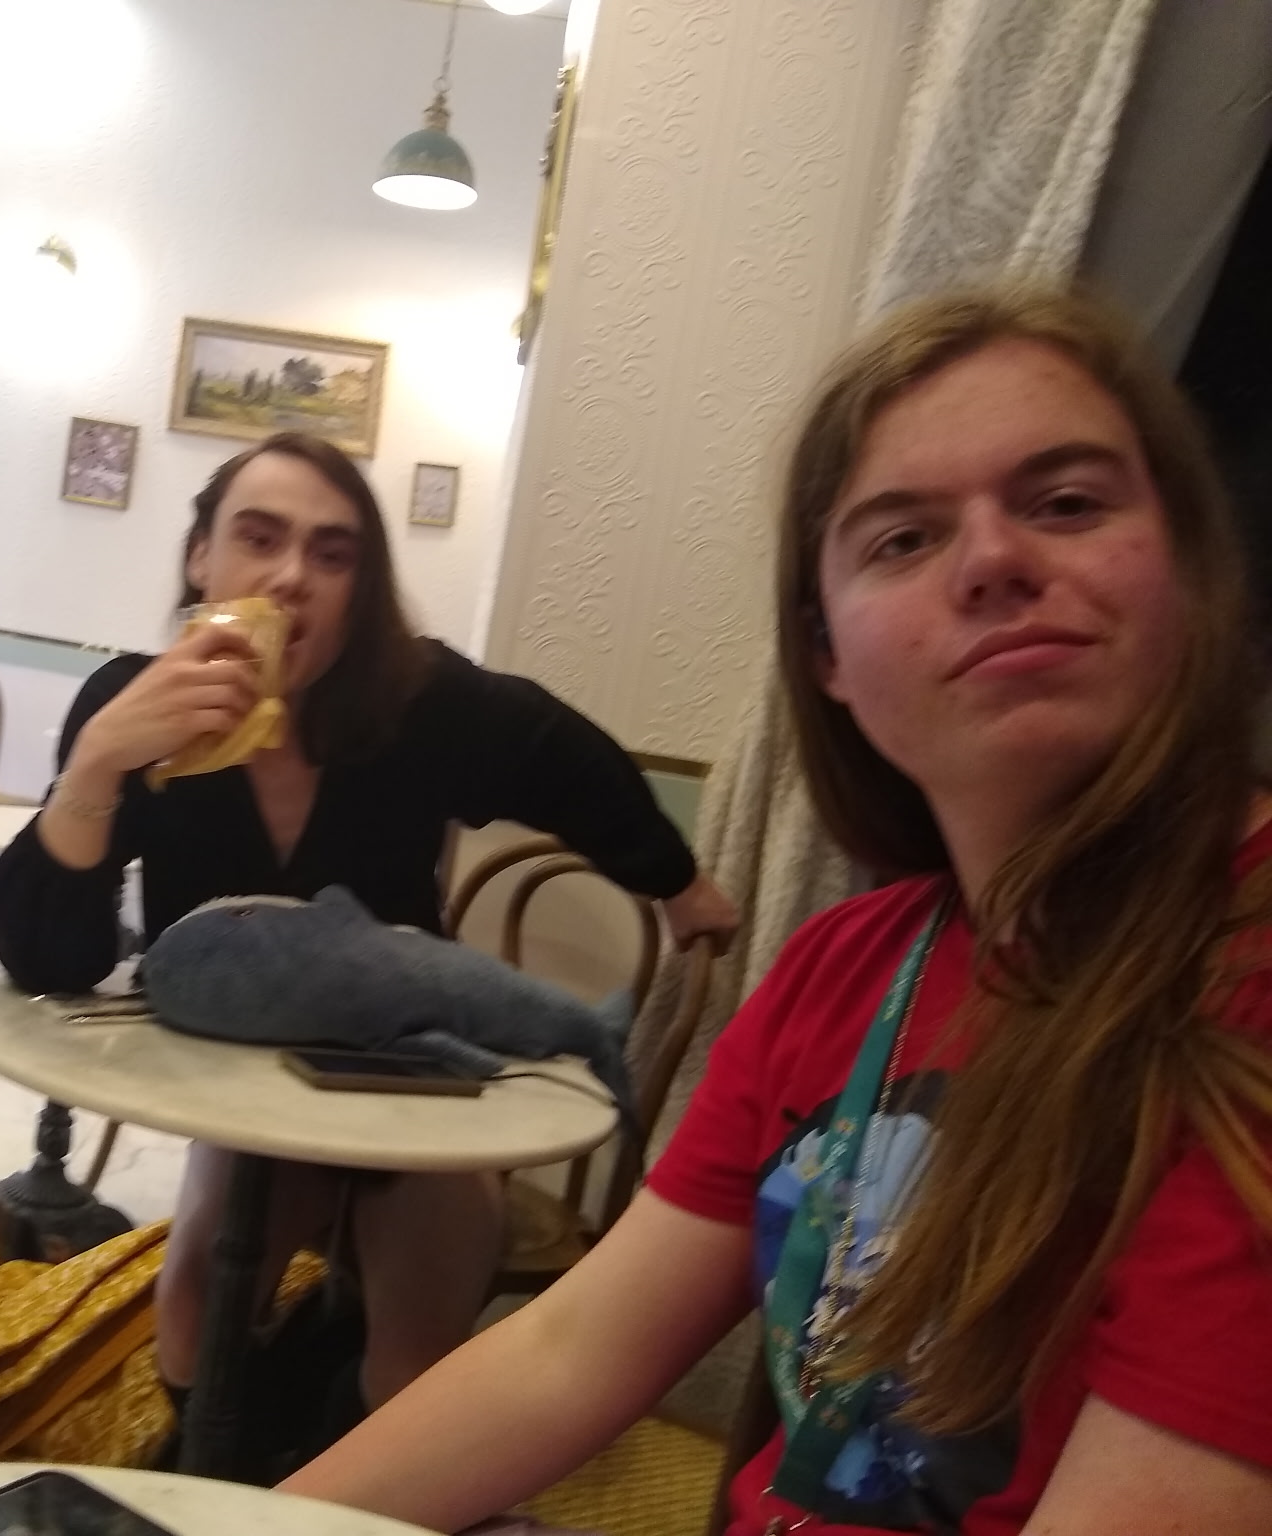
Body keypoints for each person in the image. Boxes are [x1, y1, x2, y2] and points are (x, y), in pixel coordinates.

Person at [282, 286, 1272, 1535]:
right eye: (900, 539)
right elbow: (568, 1351)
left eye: (1065, 503)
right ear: (825, 660)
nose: (992, 559)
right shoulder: (847, 967)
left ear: (1186, 565)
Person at [0, 431, 740, 1447]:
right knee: (198, 1299)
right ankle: (225, 1461)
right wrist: (96, 763)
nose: (292, 576)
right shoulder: (136, 705)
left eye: (332, 553)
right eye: (259, 539)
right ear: (201, 557)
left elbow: (560, 755)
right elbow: (52, 963)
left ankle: (360, 1457)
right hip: (239, 1071)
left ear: (361, 589)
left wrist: (675, 883)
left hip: (407, 1064)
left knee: (419, 1340)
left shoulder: (418, 703)